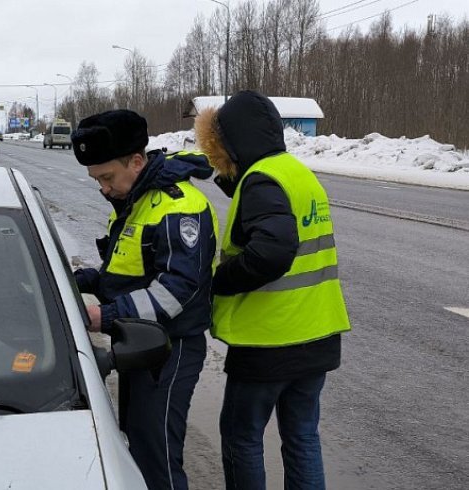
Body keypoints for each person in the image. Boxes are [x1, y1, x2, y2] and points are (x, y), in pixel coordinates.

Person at [194, 90, 352, 490]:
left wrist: (218, 282)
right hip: (317, 334)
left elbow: (272, 252)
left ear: (232, 142)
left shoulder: (262, 182)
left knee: (241, 435)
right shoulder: (297, 173)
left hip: (269, 340)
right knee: (301, 437)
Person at [70, 109, 218, 490]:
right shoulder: (136, 199)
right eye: (96, 180)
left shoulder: (178, 205)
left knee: (157, 458)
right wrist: (73, 280)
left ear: (136, 162)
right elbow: (121, 275)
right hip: (137, 344)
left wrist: (103, 316)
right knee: (135, 445)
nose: (103, 188)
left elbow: (176, 291)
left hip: (170, 349)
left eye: (107, 177)